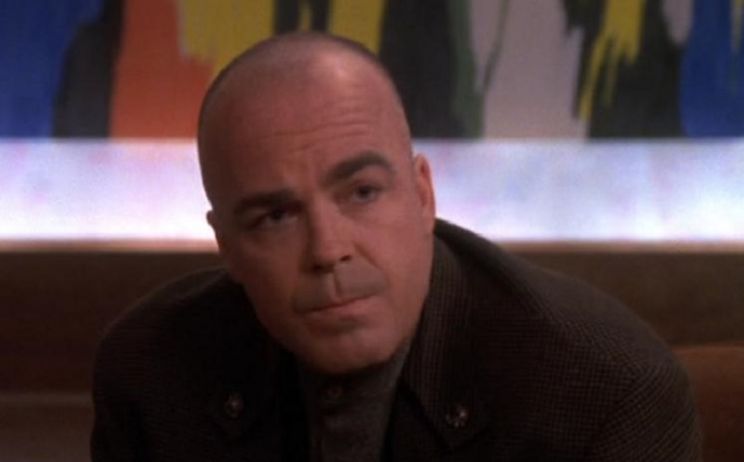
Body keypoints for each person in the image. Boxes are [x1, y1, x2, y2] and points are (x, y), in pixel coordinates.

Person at [91, 32, 701, 461]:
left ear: (423, 196)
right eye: (276, 217)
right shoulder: (149, 373)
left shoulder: (607, 390)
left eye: (361, 193)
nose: (328, 250)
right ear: (226, 246)